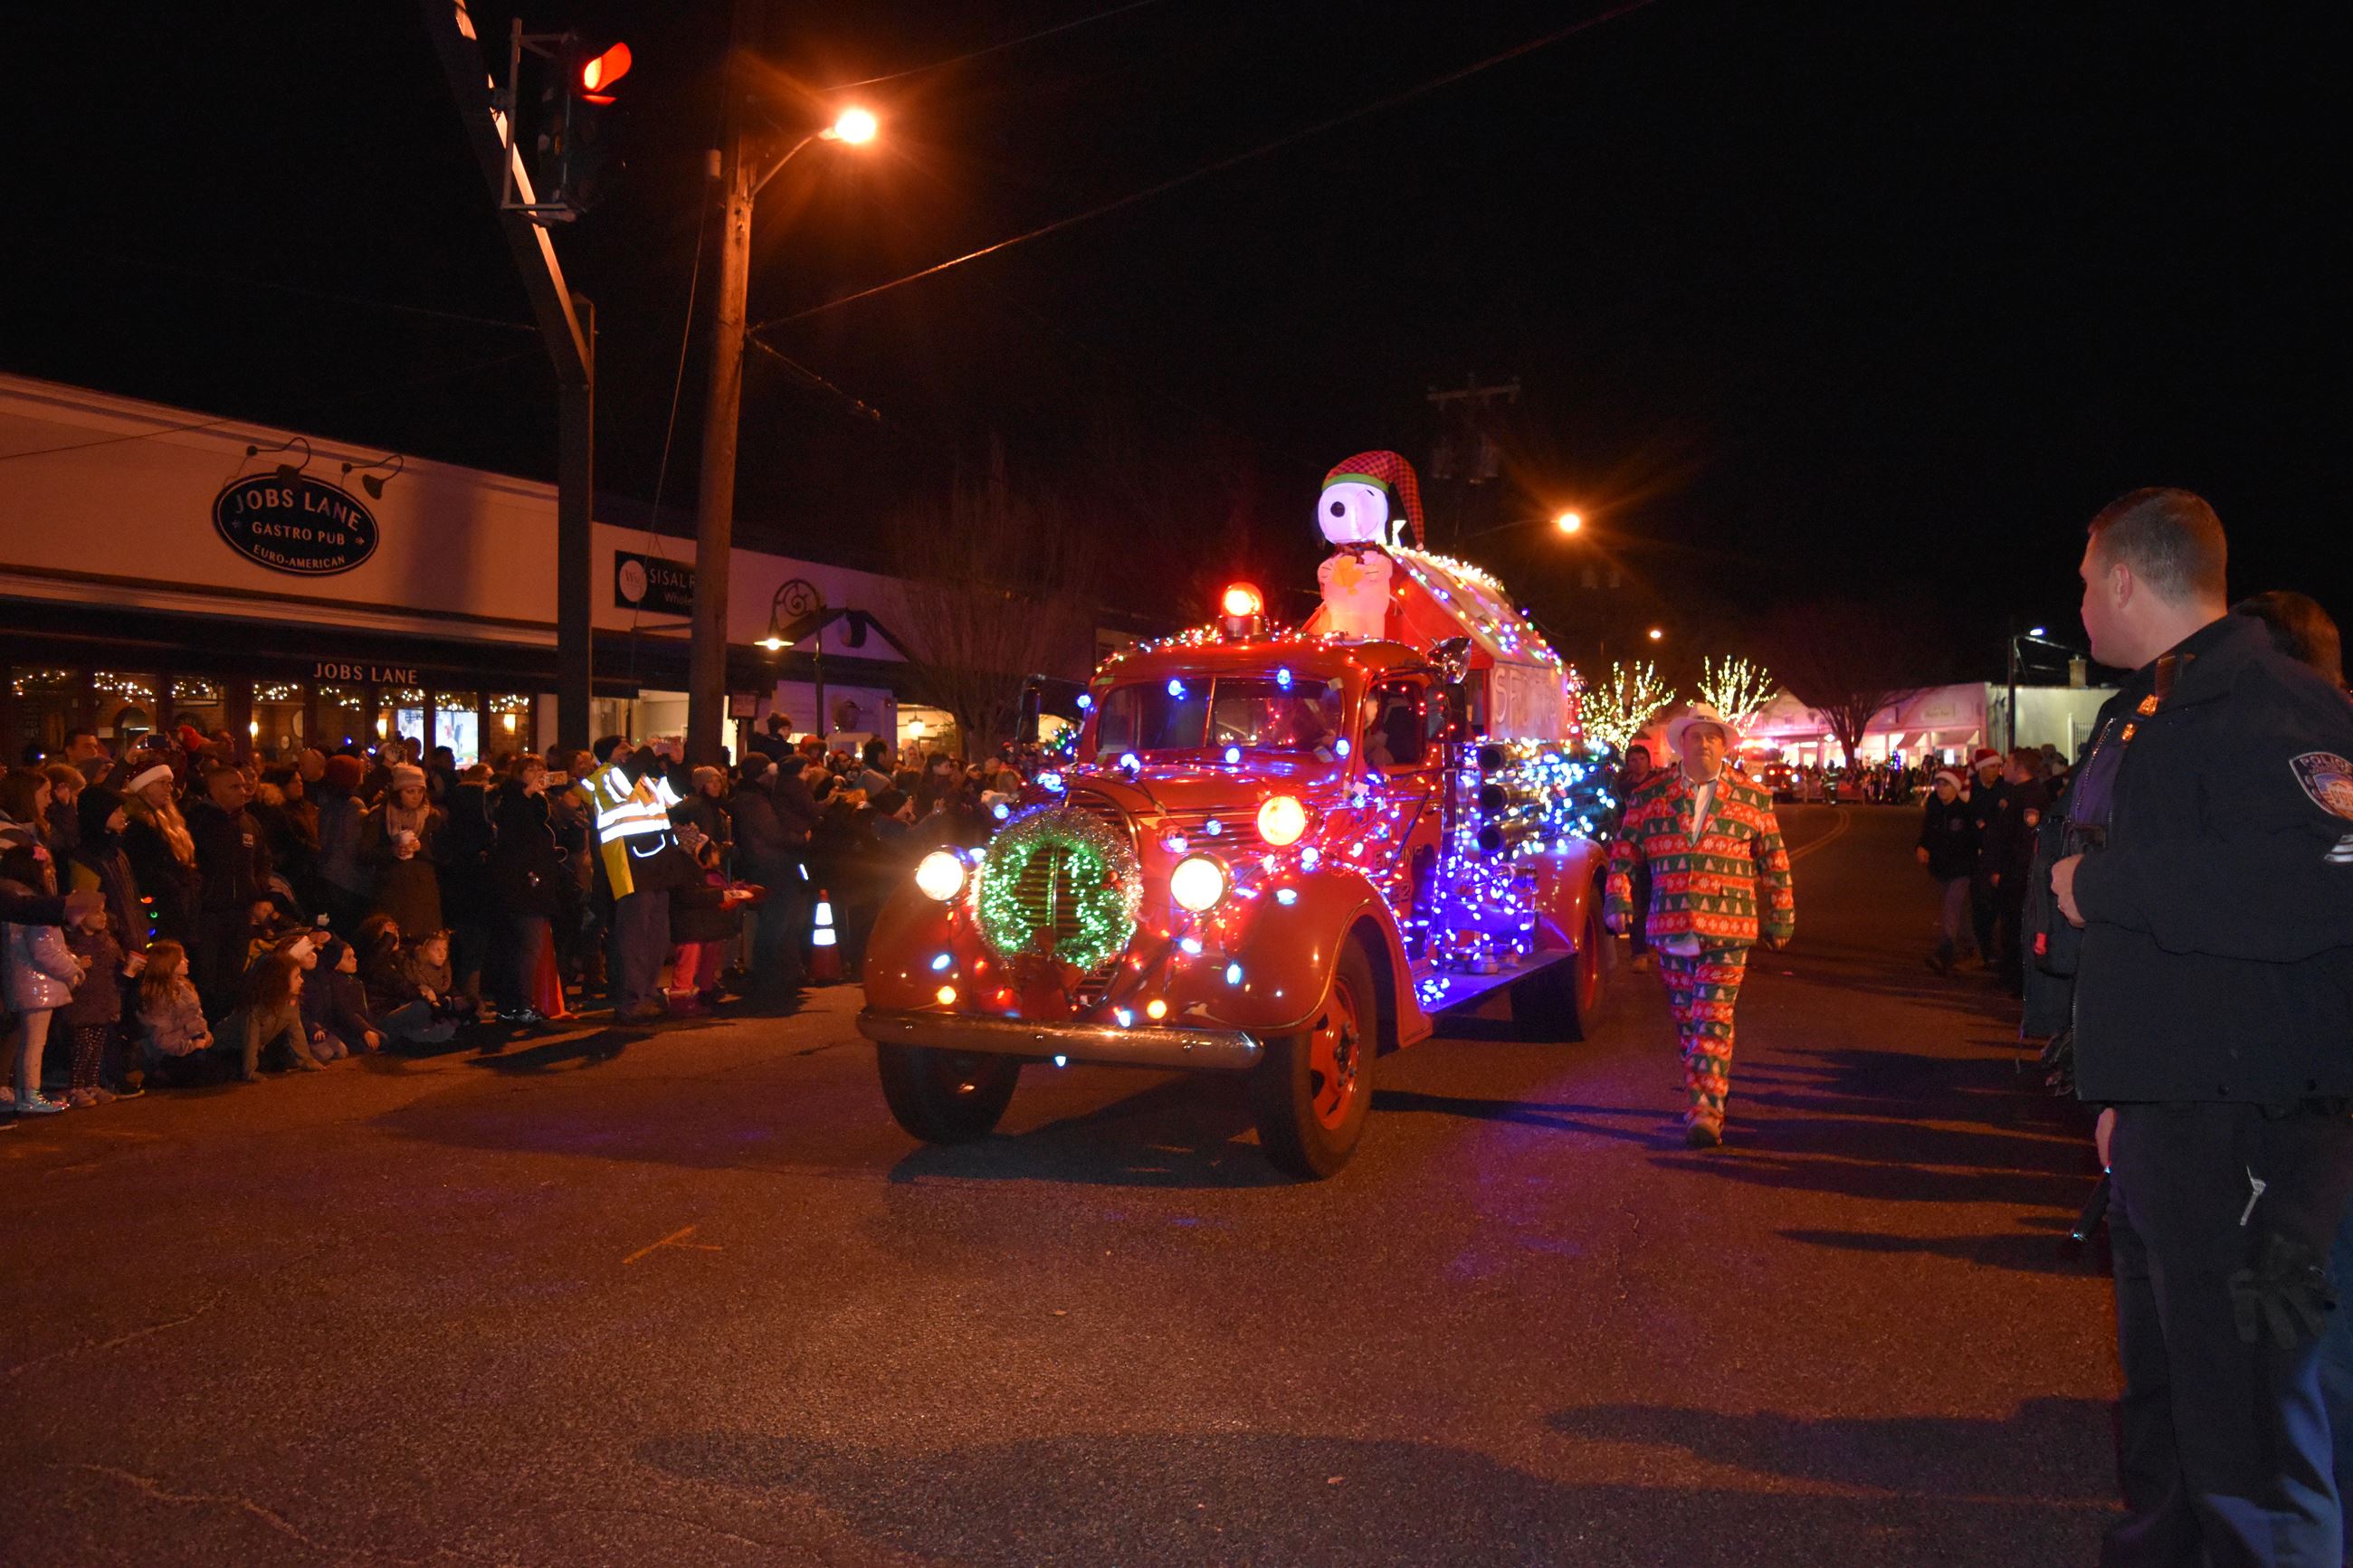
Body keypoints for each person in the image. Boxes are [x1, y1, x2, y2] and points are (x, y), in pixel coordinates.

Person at [2045, 488, 2353, 1566]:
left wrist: (2114, 885)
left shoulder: (2271, 698)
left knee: (2252, 1429)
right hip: (2172, 1123)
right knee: (2173, 1401)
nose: (2079, 602)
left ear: (2126, 578)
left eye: (2086, 581)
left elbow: (2327, 876)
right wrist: (2123, 1099)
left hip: (2255, 1138)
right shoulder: (2154, 705)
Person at [1604, 702, 1796, 1148]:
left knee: (1712, 1018)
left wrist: (1782, 914)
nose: (1705, 743)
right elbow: (1624, 852)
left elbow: (1775, 861)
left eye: (1714, 736)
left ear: (1725, 746)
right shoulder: (1651, 797)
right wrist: (1618, 896)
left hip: (1729, 928)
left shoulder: (1752, 797)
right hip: (1671, 925)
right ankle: (1701, 1101)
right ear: (1682, 745)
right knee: (1688, 1022)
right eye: (1697, 736)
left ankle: (1706, 1113)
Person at [3, 841, 84, 1116]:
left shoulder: (16, 898)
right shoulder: (34, 905)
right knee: (35, 1042)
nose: (51, 873)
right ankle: (30, 1095)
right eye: (47, 867)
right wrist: (72, 968)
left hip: (24, 980)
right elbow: (44, 948)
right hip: (36, 984)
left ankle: (21, 1091)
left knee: (24, 1041)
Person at [185, 762, 271, 1016]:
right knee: (207, 977)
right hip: (208, 914)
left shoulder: (249, 823)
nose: (243, 791)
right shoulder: (198, 822)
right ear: (215, 790)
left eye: (244, 786)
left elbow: (263, 859)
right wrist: (202, 892)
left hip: (240, 913)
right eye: (235, 787)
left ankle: (226, 1031)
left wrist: (258, 889)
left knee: (233, 975)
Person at [486, 755, 564, 1023]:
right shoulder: (510, 799)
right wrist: (529, 792)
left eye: (540, 768)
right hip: (521, 883)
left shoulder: (540, 802)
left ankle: (516, 1005)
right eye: (530, 769)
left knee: (526, 946)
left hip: (535, 880)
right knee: (526, 945)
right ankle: (520, 1006)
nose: (537, 773)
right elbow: (514, 831)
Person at [59, 901, 139, 1105]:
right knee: (82, 1047)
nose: (103, 915)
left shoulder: (108, 942)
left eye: (103, 910)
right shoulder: (71, 944)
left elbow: (117, 972)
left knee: (96, 1048)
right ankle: (76, 1087)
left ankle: (91, 1085)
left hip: (105, 1002)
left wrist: (130, 968)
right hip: (82, 1004)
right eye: (95, 911)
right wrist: (76, 965)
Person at [360, 765, 444, 948]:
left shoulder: (431, 817)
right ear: (398, 792)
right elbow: (365, 854)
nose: (416, 796)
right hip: (392, 890)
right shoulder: (380, 816)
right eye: (410, 791)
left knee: (422, 944)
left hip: (423, 891)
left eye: (419, 791)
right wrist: (392, 851)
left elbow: (444, 854)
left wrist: (421, 848)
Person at [216, 951, 319, 1080]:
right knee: (229, 1069)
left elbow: (296, 1030)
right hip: (228, 1047)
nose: (302, 980)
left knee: (277, 1063)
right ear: (281, 981)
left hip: (256, 1046)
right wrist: (250, 1071)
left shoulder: (290, 1001)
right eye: (297, 977)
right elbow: (250, 1038)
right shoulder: (255, 1006)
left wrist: (307, 1060)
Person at [1916, 767, 1977, 974]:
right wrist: (1922, 847)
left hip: (1962, 868)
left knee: (1951, 907)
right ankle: (1971, 945)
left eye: (1946, 785)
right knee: (1957, 909)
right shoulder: (1935, 807)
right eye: (1938, 784)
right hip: (1942, 868)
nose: (1940, 788)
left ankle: (1945, 953)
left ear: (1955, 788)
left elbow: (1976, 838)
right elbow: (1927, 832)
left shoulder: (1965, 810)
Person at [132, 939, 213, 1085]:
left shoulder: (184, 987)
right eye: (181, 959)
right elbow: (162, 1038)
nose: (186, 961)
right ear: (168, 963)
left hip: (192, 1045)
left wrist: (205, 1036)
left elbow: (196, 1018)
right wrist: (192, 1045)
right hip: (171, 1054)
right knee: (209, 1075)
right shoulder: (159, 996)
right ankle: (161, 1074)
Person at [1614, 744, 1659, 970]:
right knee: (1638, 903)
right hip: (1633, 850)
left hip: (1657, 849)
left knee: (1657, 901)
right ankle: (1639, 952)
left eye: (1642, 759)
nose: (1637, 763)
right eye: (1633, 760)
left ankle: (1656, 947)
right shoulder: (1622, 789)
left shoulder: (1659, 786)